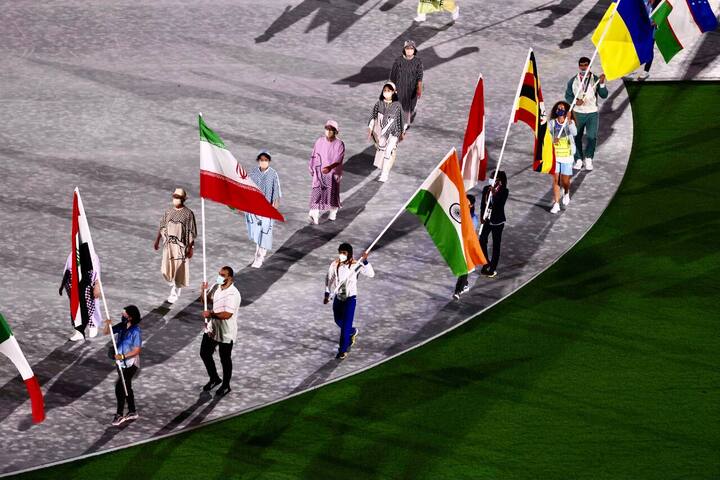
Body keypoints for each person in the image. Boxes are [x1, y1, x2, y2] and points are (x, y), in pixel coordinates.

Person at [324, 243, 375, 360]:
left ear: (350, 254)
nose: (341, 255)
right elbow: (329, 278)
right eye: (340, 252)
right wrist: (327, 293)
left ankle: (342, 350)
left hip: (350, 299)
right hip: (338, 297)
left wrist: (365, 261)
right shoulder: (335, 264)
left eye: (344, 253)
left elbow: (371, 274)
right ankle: (352, 331)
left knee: (345, 326)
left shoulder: (356, 265)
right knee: (338, 321)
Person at [200, 266, 241, 398]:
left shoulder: (233, 294)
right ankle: (214, 378)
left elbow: (227, 314)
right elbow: (206, 301)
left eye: (223, 275)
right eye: (219, 274)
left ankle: (226, 385)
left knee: (225, 359)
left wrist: (210, 313)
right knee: (204, 353)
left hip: (226, 332)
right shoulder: (217, 287)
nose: (220, 277)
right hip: (213, 329)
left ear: (230, 277)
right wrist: (203, 291)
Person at [564, 57, 608, 171]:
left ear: (589, 66)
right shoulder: (573, 81)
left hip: (592, 113)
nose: (583, 67)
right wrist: (574, 102)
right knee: (575, 137)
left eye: (586, 65)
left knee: (592, 137)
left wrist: (602, 84)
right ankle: (578, 159)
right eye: (581, 65)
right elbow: (568, 96)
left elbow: (604, 95)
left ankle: (588, 158)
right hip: (578, 113)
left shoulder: (596, 79)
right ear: (579, 66)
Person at [154, 188, 197, 304]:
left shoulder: (188, 214)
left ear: (183, 199)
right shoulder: (168, 212)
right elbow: (162, 226)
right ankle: (173, 283)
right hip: (168, 246)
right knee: (165, 270)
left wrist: (191, 248)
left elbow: (191, 232)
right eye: (174, 196)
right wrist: (157, 240)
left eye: (177, 197)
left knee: (179, 271)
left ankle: (175, 292)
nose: (175, 199)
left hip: (180, 247)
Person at [104, 305, 142, 426]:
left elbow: (136, 350)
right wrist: (107, 324)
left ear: (130, 317)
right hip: (120, 363)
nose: (122, 316)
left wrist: (123, 356)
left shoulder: (136, 331)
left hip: (131, 364)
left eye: (124, 314)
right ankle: (132, 411)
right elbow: (106, 332)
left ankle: (119, 414)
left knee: (120, 387)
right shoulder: (121, 326)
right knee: (127, 387)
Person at [246, 150, 282, 268]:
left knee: (265, 233)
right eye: (262, 160)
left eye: (266, 160)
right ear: (258, 161)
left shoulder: (273, 174)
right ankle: (258, 255)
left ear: (269, 161)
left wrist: (274, 208)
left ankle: (260, 257)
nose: (264, 162)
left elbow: (276, 191)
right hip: (256, 209)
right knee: (257, 233)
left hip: (268, 208)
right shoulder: (253, 174)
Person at [59, 250, 102, 341]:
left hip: (86, 277)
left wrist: (97, 284)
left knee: (88, 301)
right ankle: (79, 330)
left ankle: (92, 324)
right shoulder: (73, 253)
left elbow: (95, 269)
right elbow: (68, 268)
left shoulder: (92, 254)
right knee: (75, 304)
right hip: (72, 278)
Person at [308, 120, 345, 224]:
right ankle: (314, 212)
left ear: (336, 132)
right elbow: (314, 154)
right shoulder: (319, 141)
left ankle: (333, 212)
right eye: (327, 129)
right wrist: (312, 167)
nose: (328, 131)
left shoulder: (340, 144)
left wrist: (329, 168)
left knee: (332, 193)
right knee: (316, 191)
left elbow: (338, 159)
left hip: (332, 174)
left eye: (331, 130)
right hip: (319, 172)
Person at [368, 82, 405, 183]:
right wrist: (370, 128)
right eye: (385, 90)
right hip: (382, 133)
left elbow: (401, 119)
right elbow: (373, 116)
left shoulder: (397, 105)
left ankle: (384, 174)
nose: (386, 92)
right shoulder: (379, 104)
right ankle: (383, 167)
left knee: (388, 151)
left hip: (394, 132)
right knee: (381, 149)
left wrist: (402, 132)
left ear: (393, 92)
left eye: (389, 91)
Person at [549, 101, 577, 214]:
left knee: (565, 181)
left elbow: (574, 133)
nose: (560, 109)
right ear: (556, 110)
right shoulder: (551, 123)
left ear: (566, 111)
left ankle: (566, 192)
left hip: (567, 156)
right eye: (558, 108)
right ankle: (556, 204)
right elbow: (546, 136)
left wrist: (569, 121)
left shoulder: (570, 122)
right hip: (555, 156)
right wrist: (552, 139)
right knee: (556, 180)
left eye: (562, 108)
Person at [479, 171, 509, 277]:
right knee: (482, 239)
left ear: (499, 181)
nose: (490, 179)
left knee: (496, 245)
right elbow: (483, 205)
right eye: (491, 177)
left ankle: (492, 268)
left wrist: (494, 194)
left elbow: (499, 205)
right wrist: (481, 216)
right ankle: (486, 261)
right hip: (487, 219)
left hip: (497, 221)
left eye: (493, 177)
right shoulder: (486, 189)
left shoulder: (504, 191)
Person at [390, 40, 424, 125]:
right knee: (401, 106)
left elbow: (419, 77)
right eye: (407, 48)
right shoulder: (398, 61)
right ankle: (402, 124)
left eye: (411, 48)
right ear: (404, 49)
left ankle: (410, 114)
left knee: (411, 106)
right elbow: (393, 76)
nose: (409, 50)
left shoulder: (418, 62)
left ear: (414, 50)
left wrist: (419, 89)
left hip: (412, 89)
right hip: (400, 88)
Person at [453, 194, 480, 300]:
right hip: (458, 244)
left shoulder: (473, 218)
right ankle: (465, 284)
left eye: (467, 202)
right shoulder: (459, 213)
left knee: (464, 269)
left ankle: (457, 291)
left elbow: (469, 234)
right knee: (460, 267)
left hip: (467, 246)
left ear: (471, 205)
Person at [637, 0, 657, 81]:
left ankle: (646, 71)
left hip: (652, 30)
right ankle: (631, 68)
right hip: (641, 28)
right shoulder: (643, 1)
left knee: (649, 49)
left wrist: (653, 22)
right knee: (637, 47)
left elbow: (660, 18)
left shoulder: (659, 4)